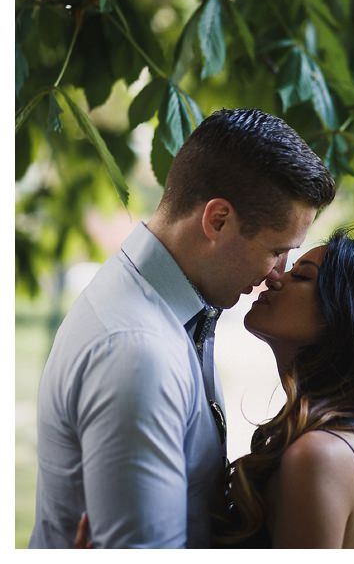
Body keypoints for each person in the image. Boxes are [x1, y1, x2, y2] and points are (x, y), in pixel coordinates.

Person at [30, 108, 336, 548]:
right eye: (275, 250)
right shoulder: (140, 353)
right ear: (217, 220)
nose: (277, 274)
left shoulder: (171, 305)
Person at [211, 230, 354, 548]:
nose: (275, 278)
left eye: (302, 276)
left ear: (344, 319)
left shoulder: (318, 455)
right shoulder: (347, 442)